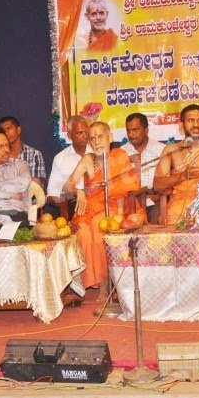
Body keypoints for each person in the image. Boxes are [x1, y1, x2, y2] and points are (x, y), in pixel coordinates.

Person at [63, 121, 144, 299]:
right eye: (92, 138)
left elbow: (125, 188)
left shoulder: (119, 156)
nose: (96, 141)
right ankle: (83, 283)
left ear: (110, 138)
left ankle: (104, 284)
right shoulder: (88, 159)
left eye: (100, 136)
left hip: (114, 207)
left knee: (98, 228)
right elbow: (67, 186)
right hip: (89, 208)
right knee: (82, 233)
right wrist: (79, 192)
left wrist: (119, 216)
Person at [121, 113, 166, 223]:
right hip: (129, 200)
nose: (131, 134)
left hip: (154, 198)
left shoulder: (161, 150)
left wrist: (157, 195)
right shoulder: (121, 152)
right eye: (128, 130)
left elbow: (168, 181)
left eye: (135, 130)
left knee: (156, 218)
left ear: (146, 130)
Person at [46, 115, 90, 207]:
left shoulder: (97, 153)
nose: (85, 136)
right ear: (69, 135)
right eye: (80, 133)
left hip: (97, 202)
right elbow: (52, 193)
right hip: (72, 205)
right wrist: (64, 203)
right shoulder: (60, 159)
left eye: (86, 131)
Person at [0, 116, 46, 189]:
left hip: (29, 195)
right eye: (2, 131)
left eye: (8, 128)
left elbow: (36, 186)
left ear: (18, 130)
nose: (6, 133)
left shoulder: (34, 155)